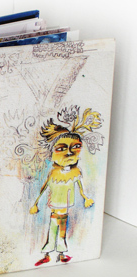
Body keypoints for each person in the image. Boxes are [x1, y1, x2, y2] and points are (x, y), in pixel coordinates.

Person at [30, 106, 102, 266]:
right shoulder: (54, 173)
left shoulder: (75, 172)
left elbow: (80, 187)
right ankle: (49, 252)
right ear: (52, 153)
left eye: (75, 147)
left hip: (66, 205)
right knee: (55, 225)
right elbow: (44, 187)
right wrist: (35, 203)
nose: (69, 153)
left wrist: (85, 198)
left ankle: (60, 253)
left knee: (61, 226)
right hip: (56, 204)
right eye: (61, 149)